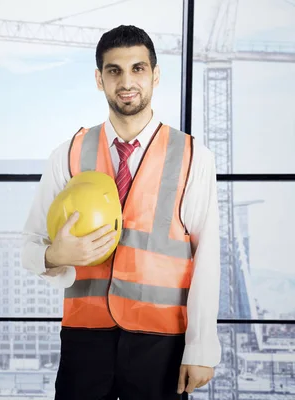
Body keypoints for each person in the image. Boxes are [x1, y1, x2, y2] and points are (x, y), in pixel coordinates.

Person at [21, 25, 221, 400]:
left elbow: (206, 258)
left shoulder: (193, 156)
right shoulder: (67, 154)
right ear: (99, 79)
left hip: (161, 340)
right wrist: (53, 256)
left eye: (138, 69)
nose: (126, 81)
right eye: (114, 70)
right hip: (84, 337)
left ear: (155, 75)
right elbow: (31, 243)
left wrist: (201, 349)